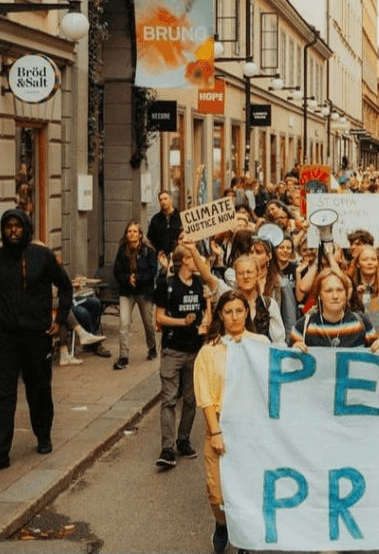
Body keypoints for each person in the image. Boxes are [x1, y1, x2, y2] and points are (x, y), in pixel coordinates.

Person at [0, 210, 73, 475]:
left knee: (39, 389)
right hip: (4, 338)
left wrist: (60, 319)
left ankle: (43, 436)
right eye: (8, 226)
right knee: (4, 394)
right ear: (2, 230)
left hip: (36, 336)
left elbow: (65, 286)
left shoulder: (42, 257)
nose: (13, 231)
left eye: (18, 226)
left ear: (25, 229)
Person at [194, 290, 269, 554]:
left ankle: (244, 539)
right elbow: (204, 395)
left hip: (251, 430)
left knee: (248, 489)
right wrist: (215, 431)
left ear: (247, 312)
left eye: (239, 311)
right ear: (221, 316)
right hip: (220, 427)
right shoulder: (209, 351)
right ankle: (222, 523)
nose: (235, 317)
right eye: (228, 312)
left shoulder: (261, 343)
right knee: (217, 493)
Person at [153, 237, 228, 469]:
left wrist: (206, 322)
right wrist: (181, 321)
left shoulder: (198, 284)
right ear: (184, 260)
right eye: (192, 257)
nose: (198, 261)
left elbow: (208, 310)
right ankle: (167, 448)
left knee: (191, 398)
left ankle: (183, 439)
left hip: (196, 351)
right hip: (172, 350)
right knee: (168, 398)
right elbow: (159, 318)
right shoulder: (168, 285)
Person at [289, 268, 379, 353]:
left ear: (346, 293)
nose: (335, 296)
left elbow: (378, 361)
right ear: (319, 295)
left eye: (340, 290)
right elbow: (287, 363)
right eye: (329, 291)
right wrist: (293, 351)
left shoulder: (362, 322)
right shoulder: (304, 325)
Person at [112, 220, 158, 370]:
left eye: (134, 231)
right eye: (129, 231)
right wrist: (127, 279)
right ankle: (123, 356)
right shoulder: (122, 250)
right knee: (124, 324)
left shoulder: (148, 251)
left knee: (148, 322)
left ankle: (152, 347)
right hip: (127, 292)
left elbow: (152, 271)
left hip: (144, 292)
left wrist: (137, 278)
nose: (131, 234)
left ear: (140, 234)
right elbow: (117, 271)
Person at [229, 254, 286, 344]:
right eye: (241, 273)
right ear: (236, 277)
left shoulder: (269, 304)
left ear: (257, 274)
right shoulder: (229, 305)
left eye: (249, 272)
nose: (245, 276)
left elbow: (279, 342)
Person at [148, 190, 182, 256]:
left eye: (165, 199)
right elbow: (150, 240)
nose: (163, 202)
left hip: (178, 257)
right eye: (160, 200)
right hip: (161, 257)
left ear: (171, 200)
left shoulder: (180, 217)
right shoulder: (155, 220)